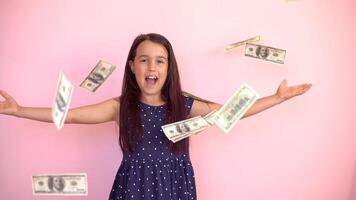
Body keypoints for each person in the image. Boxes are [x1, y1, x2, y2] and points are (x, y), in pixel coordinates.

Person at [0, 33, 312, 200]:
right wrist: (18, 110)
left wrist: (277, 98)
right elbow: (68, 115)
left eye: (160, 61)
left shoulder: (186, 105)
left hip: (175, 187)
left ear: (168, 68)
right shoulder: (119, 107)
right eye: (145, 60)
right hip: (133, 188)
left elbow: (232, 111)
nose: (152, 67)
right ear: (133, 66)